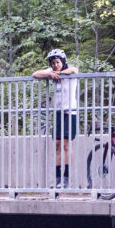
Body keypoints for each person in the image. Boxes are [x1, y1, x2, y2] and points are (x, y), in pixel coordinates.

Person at [32, 48, 79, 188]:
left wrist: (59, 73)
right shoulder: (52, 71)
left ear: (63, 62)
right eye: (53, 63)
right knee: (57, 145)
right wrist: (50, 74)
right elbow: (35, 74)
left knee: (66, 144)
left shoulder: (69, 70)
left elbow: (75, 70)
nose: (55, 65)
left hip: (70, 112)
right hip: (58, 112)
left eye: (58, 62)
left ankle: (66, 177)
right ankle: (58, 178)